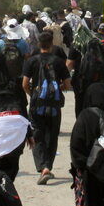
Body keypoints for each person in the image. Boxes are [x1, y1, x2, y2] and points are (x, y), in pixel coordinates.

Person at [23, 30, 72, 184]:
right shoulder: (58, 61)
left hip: (37, 104)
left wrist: (33, 94)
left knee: (37, 135)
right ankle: (48, 167)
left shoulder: (32, 60)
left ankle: (42, 166)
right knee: (51, 135)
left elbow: (24, 84)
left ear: (39, 44)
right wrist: (56, 90)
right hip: (54, 106)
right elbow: (67, 84)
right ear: (51, 44)